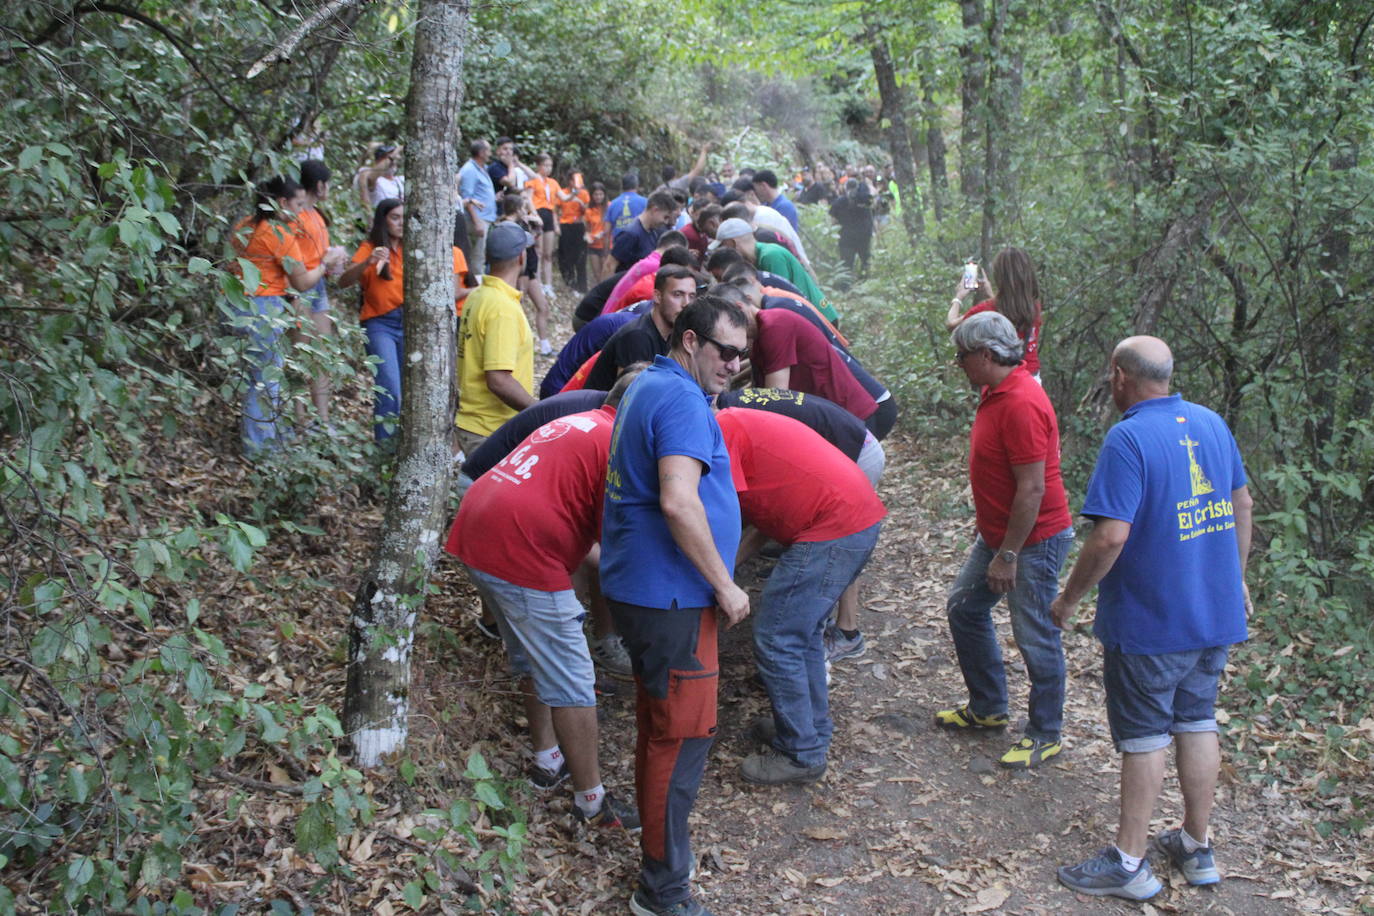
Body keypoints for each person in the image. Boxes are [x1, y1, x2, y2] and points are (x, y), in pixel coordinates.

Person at [1052, 337, 1252, 901]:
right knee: (1196, 720)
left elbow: (1110, 535)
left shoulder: (1129, 437)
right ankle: (1195, 845)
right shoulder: (1210, 422)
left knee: (1143, 736)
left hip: (1152, 621)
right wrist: (1233, 579)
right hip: (1214, 614)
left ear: (1119, 375)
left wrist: (1069, 599)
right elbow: (1241, 503)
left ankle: (1128, 861)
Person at [600, 296, 751, 916]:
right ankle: (662, 892)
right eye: (725, 351)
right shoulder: (683, 400)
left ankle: (660, 868)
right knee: (680, 742)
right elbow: (679, 502)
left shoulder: (651, 383)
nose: (736, 365)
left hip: (649, 591)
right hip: (671, 598)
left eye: (744, 354)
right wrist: (725, 584)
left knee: (662, 731)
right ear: (690, 341)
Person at [445, 376, 644, 829]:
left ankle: (547, 760)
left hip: (478, 528)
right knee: (575, 679)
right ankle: (591, 803)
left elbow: (589, 539)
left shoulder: (581, 422)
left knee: (540, 658)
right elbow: (609, 547)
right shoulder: (618, 445)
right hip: (519, 549)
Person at [717, 408, 884, 784]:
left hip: (835, 526)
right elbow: (763, 519)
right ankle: (809, 727)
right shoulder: (738, 424)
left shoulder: (723, 433)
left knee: (778, 636)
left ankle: (801, 753)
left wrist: (715, 577)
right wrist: (722, 574)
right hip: (854, 518)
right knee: (802, 633)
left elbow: (717, 512)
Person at [936, 312, 1073, 768]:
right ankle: (988, 707)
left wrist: (1009, 554)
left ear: (987, 355)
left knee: (1034, 635)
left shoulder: (1021, 402)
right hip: (998, 536)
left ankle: (1045, 731)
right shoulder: (995, 392)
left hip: (1032, 541)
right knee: (964, 608)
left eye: (963, 356)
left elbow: (1032, 488)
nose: (959, 364)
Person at [338, 199, 472, 441]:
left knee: (411, 389)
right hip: (380, 323)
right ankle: (385, 444)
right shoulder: (371, 247)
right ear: (384, 220)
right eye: (394, 218)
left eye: (403, 217)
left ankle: (403, 442)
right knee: (389, 386)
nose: (400, 223)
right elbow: (343, 281)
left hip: (412, 323)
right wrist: (368, 262)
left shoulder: (416, 247)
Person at [228, 176, 333, 455]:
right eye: (298, 204)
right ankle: (260, 450)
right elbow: (302, 281)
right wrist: (325, 264)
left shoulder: (245, 225)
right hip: (263, 306)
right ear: (282, 202)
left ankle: (268, 438)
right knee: (265, 379)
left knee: (260, 375)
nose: (301, 211)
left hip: (238, 304)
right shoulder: (279, 233)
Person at [455, 221, 536, 455]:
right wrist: (537, 410)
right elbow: (498, 379)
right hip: (491, 430)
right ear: (521, 257)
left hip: (474, 423)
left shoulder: (479, 295)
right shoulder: (502, 309)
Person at [290, 159, 349, 428]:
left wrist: (333, 260)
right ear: (320, 185)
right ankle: (301, 419)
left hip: (318, 285)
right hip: (299, 286)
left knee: (321, 353)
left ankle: (322, 419)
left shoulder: (316, 215)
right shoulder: (297, 215)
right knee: (301, 354)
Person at [584, 265, 698, 391]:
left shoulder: (672, 335)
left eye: (691, 296)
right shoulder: (637, 337)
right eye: (678, 294)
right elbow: (628, 397)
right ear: (657, 296)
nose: (686, 304)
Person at [947, 246, 1045, 381]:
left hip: (1004, 380)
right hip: (1032, 379)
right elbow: (1009, 312)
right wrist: (991, 294)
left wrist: (959, 297)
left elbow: (952, 325)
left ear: (999, 276)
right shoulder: (1033, 306)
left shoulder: (988, 309)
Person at [713, 218, 834, 323]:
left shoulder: (770, 256)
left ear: (732, 243)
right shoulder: (758, 258)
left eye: (723, 246)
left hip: (820, 316)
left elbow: (780, 301)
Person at [611, 190, 679, 273]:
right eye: (665, 217)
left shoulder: (653, 231)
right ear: (655, 210)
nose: (666, 222)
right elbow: (610, 265)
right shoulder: (631, 234)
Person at [527, 154, 565, 298]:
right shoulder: (534, 179)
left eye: (550, 165)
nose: (548, 168)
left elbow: (564, 197)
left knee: (548, 254)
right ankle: (537, 283)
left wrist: (575, 191)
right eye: (545, 165)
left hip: (549, 215)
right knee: (538, 252)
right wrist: (535, 215)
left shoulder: (553, 182)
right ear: (539, 165)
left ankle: (548, 284)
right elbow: (528, 198)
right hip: (538, 214)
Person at [458, 139, 497, 274]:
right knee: (476, 256)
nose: (490, 154)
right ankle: (475, 288)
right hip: (477, 218)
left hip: (485, 217)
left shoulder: (482, 168)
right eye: (489, 150)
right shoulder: (469, 170)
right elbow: (467, 197)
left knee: (480, 255)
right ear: (481, 152)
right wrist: (477, 222)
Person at [829, 178, 874, 287]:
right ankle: (864, 284)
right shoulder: (865, 201)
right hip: (863, 237)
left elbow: (833, 222)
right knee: (865, 261)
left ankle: (846, 287)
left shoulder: (839, 202)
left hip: (846, 238)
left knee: (846, 264)